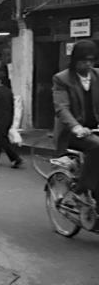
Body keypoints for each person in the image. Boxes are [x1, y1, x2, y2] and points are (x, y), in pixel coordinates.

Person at [53, 40, 99, 201]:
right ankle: (80, 189)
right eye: (83, 60)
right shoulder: (62, 79)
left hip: (94, 129)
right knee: (96, 145)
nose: (88, 64)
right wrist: (76, 127)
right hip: (71, 133)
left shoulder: (97, 75)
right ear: (74, 60)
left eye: (91, 60)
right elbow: (62, 108)